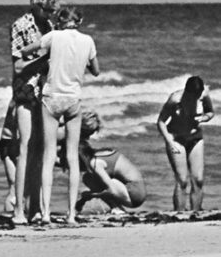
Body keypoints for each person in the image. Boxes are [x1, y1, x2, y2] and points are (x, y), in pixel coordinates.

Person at [24, 5, 99, 224]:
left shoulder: (54, 36)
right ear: (80, 21)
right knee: (72, 156)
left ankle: (46, 213)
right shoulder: (88, 40)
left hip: (51, 97)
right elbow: (96, 70)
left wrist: (44, 55)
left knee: (49, 155)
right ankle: (71, 215)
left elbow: (27, 50)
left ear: (60, 20)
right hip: (73, 98)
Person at [9, 0, 60, 225]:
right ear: (37, 5)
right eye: (47, 10)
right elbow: (18, 66)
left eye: (52, 11)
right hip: (25, 91)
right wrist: (43, 58)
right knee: (25, 149)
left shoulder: (49, 26)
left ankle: (36, 207)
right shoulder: (21, 25)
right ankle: (19, 209)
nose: (50, 15)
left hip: (45, 92)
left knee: (40, 150)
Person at [157, 76, 214, 212]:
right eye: (193, 96)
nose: (196, 98)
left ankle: (196, 212)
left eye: (198, 95)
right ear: (187, 92)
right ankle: (179, 213)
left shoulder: (204, 95)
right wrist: (169, 141)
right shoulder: (175, 99)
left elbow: (210, 112)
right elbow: (161, 122)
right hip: (176, 139)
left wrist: (204, 118)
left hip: (195, 138)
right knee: (182, 180)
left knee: (198, 179)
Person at [76, 112, 146, 213]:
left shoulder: (95, 163)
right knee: (88, 178)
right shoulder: (102, 154)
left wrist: (88, 196)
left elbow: (111, 189)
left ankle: (116, 208)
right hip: (136, 191)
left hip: (134, 194)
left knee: (105, 182)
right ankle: (117, 208)